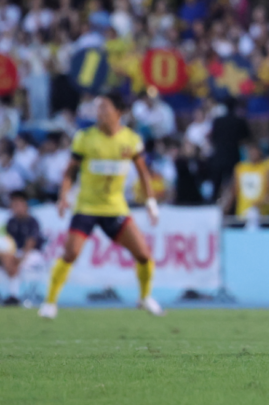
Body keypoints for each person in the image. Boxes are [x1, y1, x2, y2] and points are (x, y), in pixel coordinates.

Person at [39, 92, 163, 319]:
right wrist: (63, 196)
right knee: (70, 253)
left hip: (115, 208)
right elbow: (70, 172)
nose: (99, 113)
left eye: (104, 108)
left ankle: (145, 298)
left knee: (144, 255)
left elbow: (144, 174)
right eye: (97, 108)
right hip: (86, 207)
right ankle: (50, 302)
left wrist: (151, 203)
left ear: (118, 112)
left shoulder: (131, 140)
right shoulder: (84, 138)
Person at [2, 191, 43, 305]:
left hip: (31, 254)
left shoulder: (32, 222)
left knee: (11, 262)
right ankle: (13, 294)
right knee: (8, 259)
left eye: (18, 205)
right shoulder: (11, 222)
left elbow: (31, 242)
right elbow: (7, 241)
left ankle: (14, 294)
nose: (15, 208)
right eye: (13, 205)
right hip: (13, 253)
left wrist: (21, 256)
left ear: (25, 206)